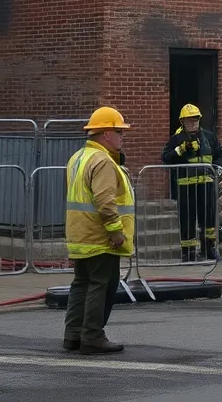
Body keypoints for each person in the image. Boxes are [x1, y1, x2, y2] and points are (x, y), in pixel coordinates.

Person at [63, 106, 135, 355]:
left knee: (81, 284)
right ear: (106, 133)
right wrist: (115, 232)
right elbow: (106, 201)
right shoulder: (102, 161)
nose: (122, 137)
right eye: (119, 131)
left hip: (80, 234)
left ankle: (73, 334)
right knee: (101, 284)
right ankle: (93, 335)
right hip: (100, 237)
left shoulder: (78, 157)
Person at [161, 103, 222, 262]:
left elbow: (221, 154)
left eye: (196, 119)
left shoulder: (210, 137)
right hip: (186, 187)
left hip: (207, 186)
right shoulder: (176, 139)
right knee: (188, 220)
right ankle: (188, 253)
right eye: (190, 120)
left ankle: (209, 249)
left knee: (209, 219)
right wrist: (181, 150)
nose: (193, 123)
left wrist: (219, 168)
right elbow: (165, 158)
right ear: (182, 121)